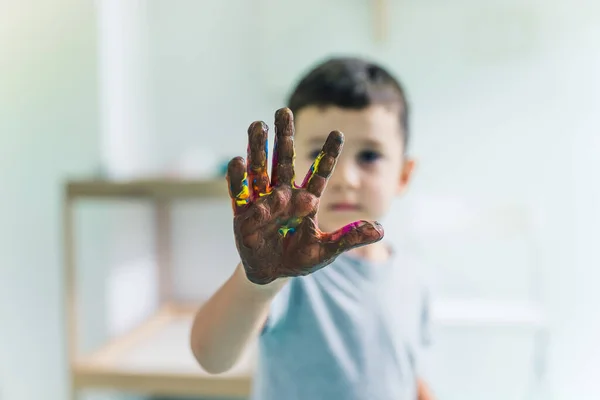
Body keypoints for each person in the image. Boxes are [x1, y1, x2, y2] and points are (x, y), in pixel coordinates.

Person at [190, 56, 435, 400]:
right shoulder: (292, 271)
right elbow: (211, 354)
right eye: (321, 154)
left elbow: (401, 368)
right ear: (286, 161)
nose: (345, 178)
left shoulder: (413, 274)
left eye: (369, 156)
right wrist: (261, 283)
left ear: (404, 174)